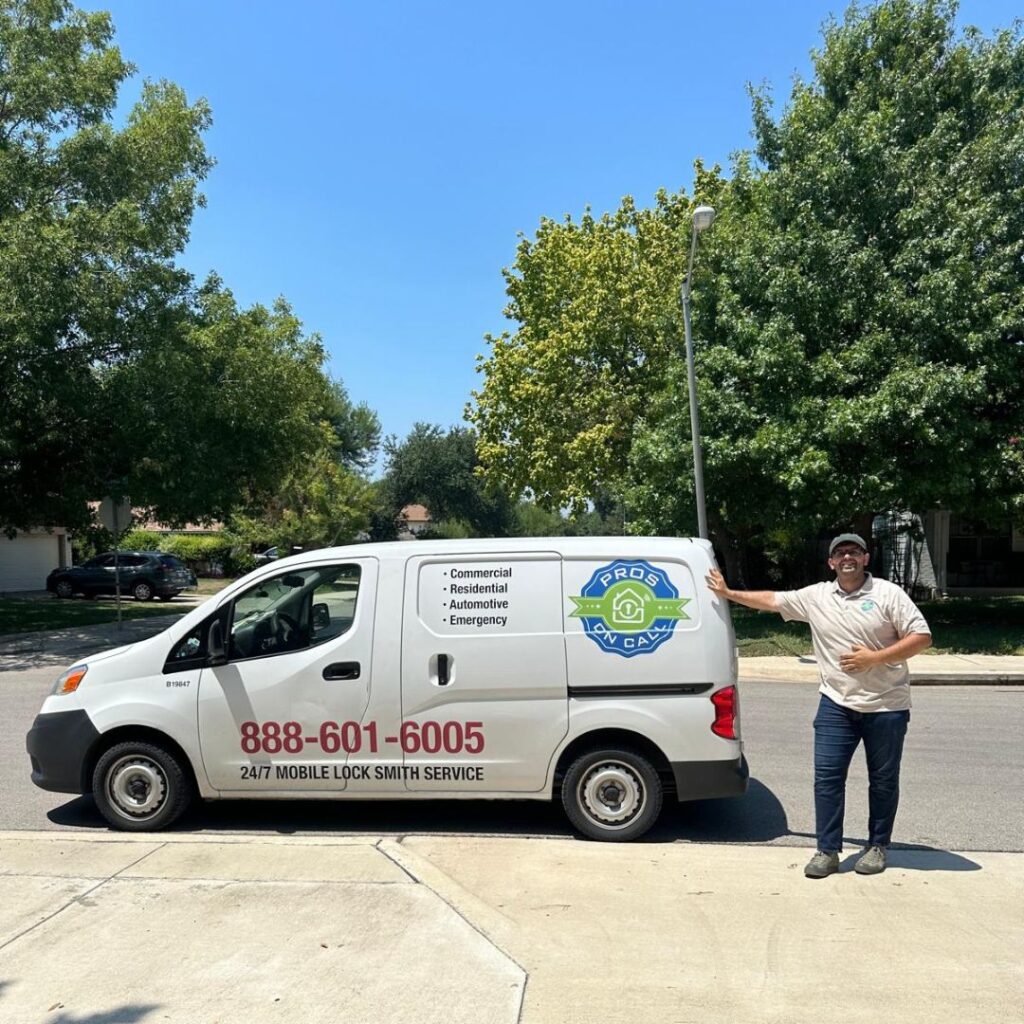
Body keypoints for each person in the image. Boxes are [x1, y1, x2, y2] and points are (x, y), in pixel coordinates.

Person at [706, 533, 932, 878]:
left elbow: (921, 636)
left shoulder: (888, 594)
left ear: (865, 558)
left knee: (883, 781)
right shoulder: (817, 596)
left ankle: (876, 846)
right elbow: (772, 599)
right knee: (827, 779)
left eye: (854, 551)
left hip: (887, 706)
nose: (847, 557)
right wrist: (728, 593)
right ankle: (827, 850)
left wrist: (874, 658)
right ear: (831, 562)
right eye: (840, 553)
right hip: (836, 705)